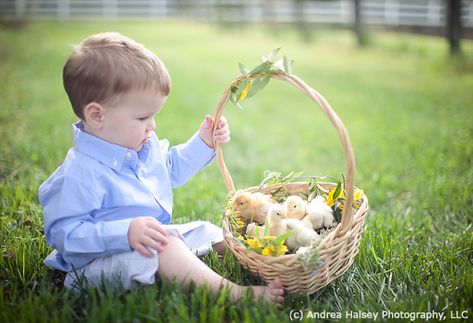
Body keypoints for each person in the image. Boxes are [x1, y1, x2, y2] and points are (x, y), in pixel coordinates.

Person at [39, 32, 284, 305]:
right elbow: (66, 234)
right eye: (143, 117)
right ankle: (234, 294)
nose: (152, 125)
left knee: (210, 232)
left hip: (150, 239)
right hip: (98, 263)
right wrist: (126, 233)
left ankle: (277, 259)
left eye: (154, 116)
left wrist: (203, 141)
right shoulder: (80, 173)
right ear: (97, 115)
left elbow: (168, 169)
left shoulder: (140, 144)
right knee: (167, 248)